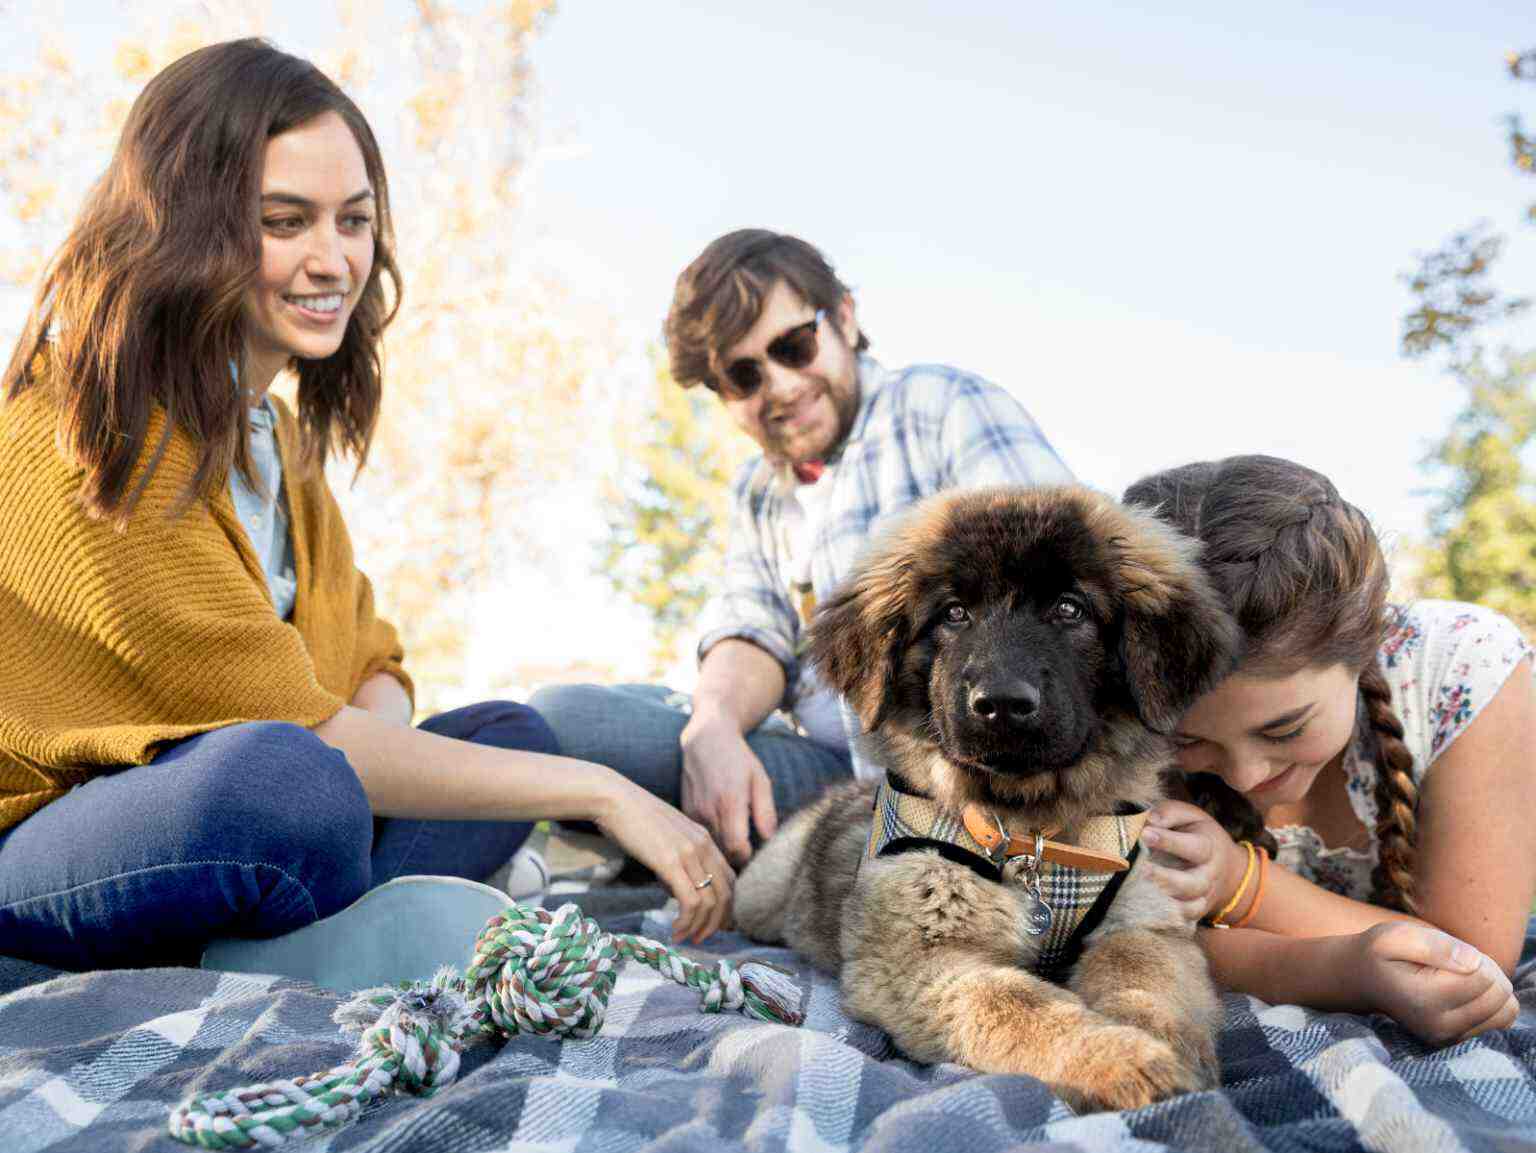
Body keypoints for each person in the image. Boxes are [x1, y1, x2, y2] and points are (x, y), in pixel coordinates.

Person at [0, 38, 732, 972]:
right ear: (187, 225)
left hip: (279, 808)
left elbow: (372, 662)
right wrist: (601, 790)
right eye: (284, 220)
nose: (332, 259)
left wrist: (372, 760)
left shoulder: (279, 445)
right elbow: (304, 734)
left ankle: (313, 931)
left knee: (507, 733)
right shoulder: (89, 421)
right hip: (45, 847)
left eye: (353, 221)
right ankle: (349, 918)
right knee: (288, 783)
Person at [532, 230, 1075, 868]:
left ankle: (681, 862)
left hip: (970, 781)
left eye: (794, 346)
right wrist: (711, 726)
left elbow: (1061, 566)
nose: (781, 387)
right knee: (563, 721)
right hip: (833, 787)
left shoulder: (939, 406)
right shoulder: (759, 493)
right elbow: (752, 629)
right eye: (742, 375)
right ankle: (680, 853)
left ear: (843, 316)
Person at [1127, 455, 1534, 1046]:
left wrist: (1241, 884)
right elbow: (1128, 940)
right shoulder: (1116, 720)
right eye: (1187, 739)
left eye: (1285, 729)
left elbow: (1473, 964)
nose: (1244, 774)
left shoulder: (1464, 664)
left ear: (1368, 639)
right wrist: (1344, 971)